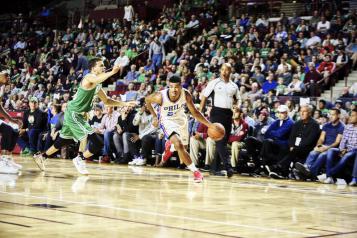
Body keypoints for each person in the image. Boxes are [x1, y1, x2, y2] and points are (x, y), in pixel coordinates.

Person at [33, 58, 135, 174]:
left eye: (103, 65)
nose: (103, 67)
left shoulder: (97, 85)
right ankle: (79, 158)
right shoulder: (89, 77)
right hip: (73, 113)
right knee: (84, 135)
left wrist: (125, 103)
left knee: (66, 141)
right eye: (100, 65)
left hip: (80, 116)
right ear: (93, 68)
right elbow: (97, 79)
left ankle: (42, 156)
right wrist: (112, 72)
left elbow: (106, 100)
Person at [145, 75, 214, 182]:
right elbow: (147, 100)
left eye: (177, 87)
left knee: (183, 147)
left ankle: (170, 148)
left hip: (181, 119)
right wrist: (154, 116)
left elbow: (195, 112)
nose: (174, 89)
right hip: (167, 120)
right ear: (169, 86)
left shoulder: (186, 94)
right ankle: (196, 172)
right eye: (172, 87)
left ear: (181, 87)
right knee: (179, 144)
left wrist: (210, 125)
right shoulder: (160, 96)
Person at [200, 63, 241, 177]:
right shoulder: (214, 82)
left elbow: (238, 99)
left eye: (227, 70)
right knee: (220, 141)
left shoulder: (234, 86)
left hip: (228, 114)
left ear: (230, 71)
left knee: (224, 141)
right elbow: (204, 96)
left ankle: (214, 168)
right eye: (222, 69)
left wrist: (238, 106)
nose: (224, 72)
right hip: (216, 113)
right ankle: (228, 167)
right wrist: (200, 111)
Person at [0, 71, 23, 173]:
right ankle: (2, 162)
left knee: (14, 130)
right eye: (6, 75)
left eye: (9, 75)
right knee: (7, 130)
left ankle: (8, 159)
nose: (8, 77)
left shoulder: (2, 87)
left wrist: (12, 119)